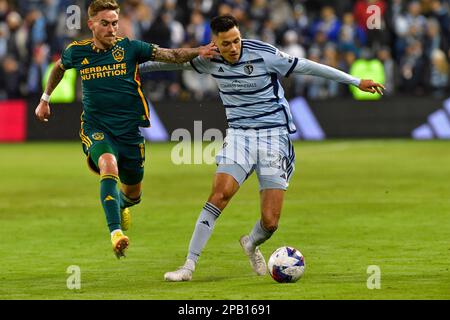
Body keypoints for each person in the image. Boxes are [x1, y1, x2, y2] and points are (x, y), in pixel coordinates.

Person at [139, 14, 384, 281]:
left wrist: (356, 81)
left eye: (236, 41)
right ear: (215, 43)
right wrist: (129, 68)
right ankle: (188, 266)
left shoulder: (264, 54)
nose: (233, 48)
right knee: (219, 195)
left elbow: (308, 67)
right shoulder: (207, 59)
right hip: (239, 136)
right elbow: (169, 64)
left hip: (273, 137)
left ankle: (251, 243)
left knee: (270, 221)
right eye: (226, 44)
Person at [34, 0, 217, 259]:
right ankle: (116, 233)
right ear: (91, 24)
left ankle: (120, 204)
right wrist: (45, 99)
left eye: (115, 23)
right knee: (108, 166)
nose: (112, 29)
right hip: (97, 127)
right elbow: (59, 68)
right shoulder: (77, 51)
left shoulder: (130, 48)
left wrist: (200, 50)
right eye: (105, 23)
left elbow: (171, 55)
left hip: (130, 131)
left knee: (134, 194)